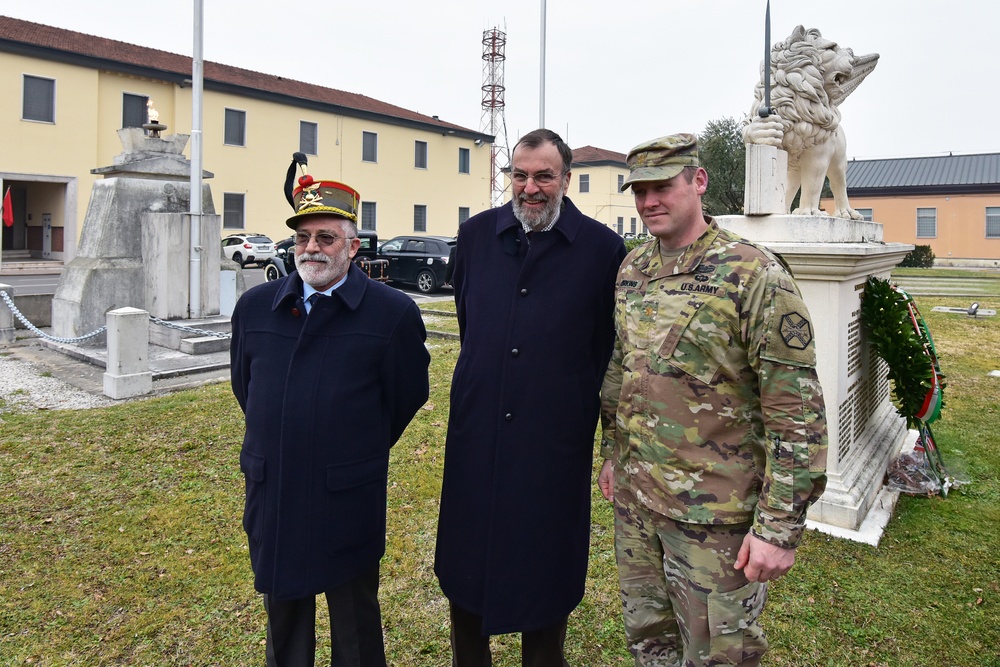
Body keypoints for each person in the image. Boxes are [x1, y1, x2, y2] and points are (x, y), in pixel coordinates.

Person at [598, 134, 828, 666]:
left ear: (698, 181)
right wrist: (613, 452)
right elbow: (623, 367)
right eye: (640, 191)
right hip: (637, 502)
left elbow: (796, 412)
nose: (649, 201)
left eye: (662, 187)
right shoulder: (633, 269)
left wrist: (778, 529)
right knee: (650, 639)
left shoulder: (753, 273)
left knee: (720, 653)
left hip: (714, 518)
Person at [435, 128, 627, 666]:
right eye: (519, 175)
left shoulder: (603, 251)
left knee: (546, 571)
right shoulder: (474, 237)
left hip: (554, 442)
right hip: (477, 437)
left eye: (544, 176)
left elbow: (606, 349)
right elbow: (472, 324)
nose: (530, 187)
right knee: (467, 565)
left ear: (565, 179)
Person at [231, 161, 430, 667]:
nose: (311, 248)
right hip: (274, 487)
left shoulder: (392, 314)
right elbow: (246, 389)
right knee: (284, 619)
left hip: (346, 492)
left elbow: (406, 395)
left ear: (353, 246)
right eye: (302, 238)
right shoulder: (254, 309)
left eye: (326, 237)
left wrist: (351, 443)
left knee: (354, 621)